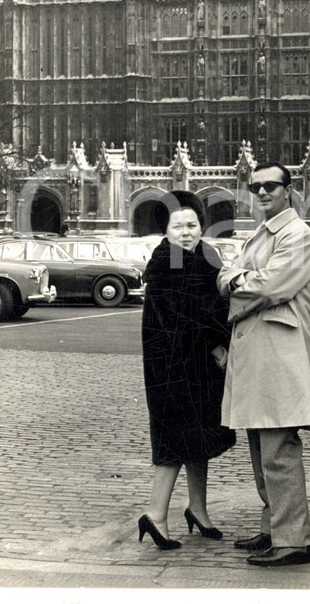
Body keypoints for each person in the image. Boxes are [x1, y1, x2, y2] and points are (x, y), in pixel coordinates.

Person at [217, 161, 310, 567]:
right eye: (255, 186)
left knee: (278, 450)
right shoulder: (260, 234)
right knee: (261, 448)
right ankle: (272, 530)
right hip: (258, 351)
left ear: (288, 190)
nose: (262, 193)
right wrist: (241, 279)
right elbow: (228, 276)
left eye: (270, 186)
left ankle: (293, 539)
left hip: (279, 352)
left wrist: (239, 280)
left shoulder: (298, 235)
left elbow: (273, 286)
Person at [138, 190, 236, 550]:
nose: (186, 232)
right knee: (174, 440)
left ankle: (197, 509)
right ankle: (156, 515)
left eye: (192, 224)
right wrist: (216, 343)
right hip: (172, 367)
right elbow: (181, 317)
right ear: (165, 230)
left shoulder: (202, 255)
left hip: (197, 365)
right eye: (177, 226)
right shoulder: (166, 261)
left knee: (198, 436)